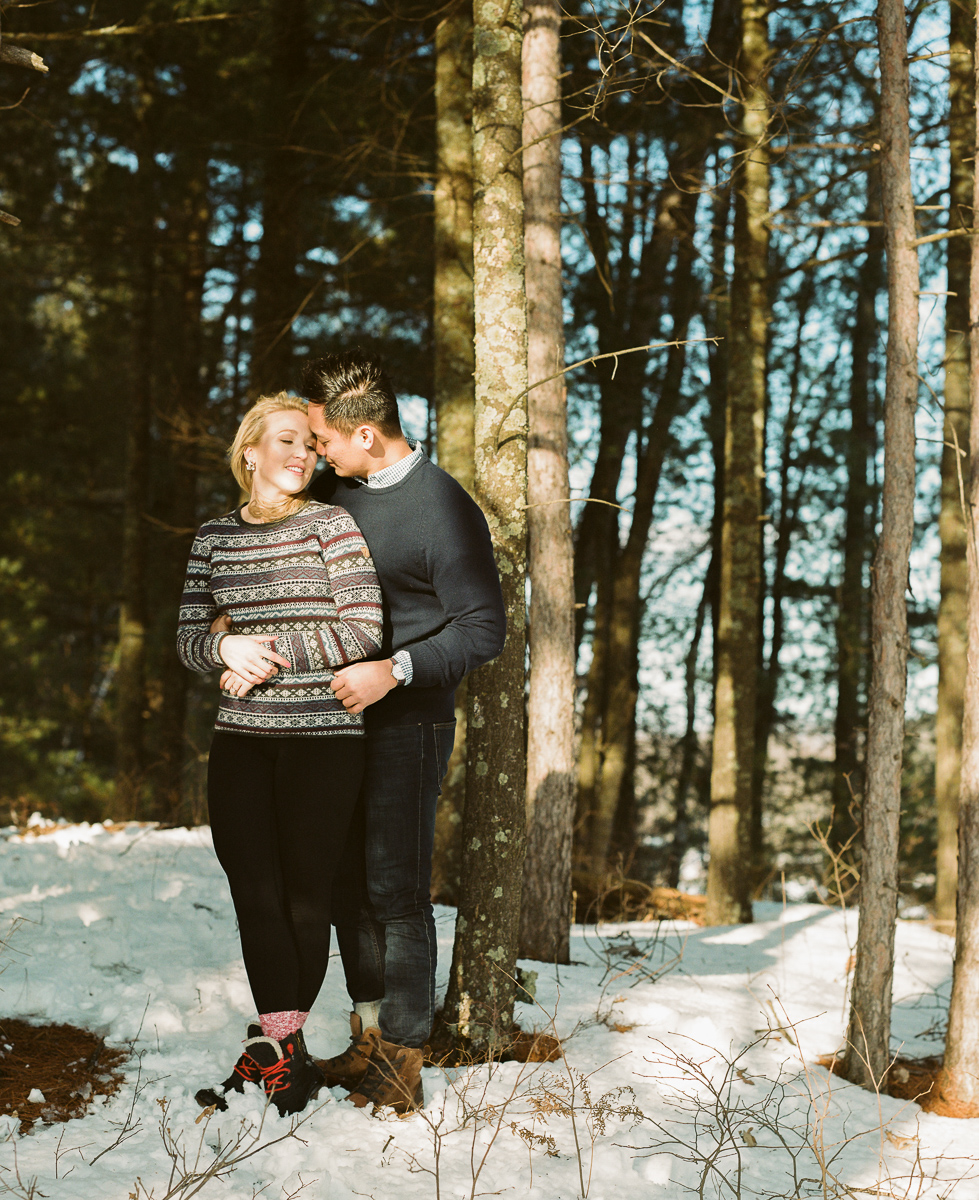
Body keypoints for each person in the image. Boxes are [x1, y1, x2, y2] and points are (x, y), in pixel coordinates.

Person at [298, 349, 505, 1112]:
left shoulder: (443, 508)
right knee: (344, 883)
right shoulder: (335, 492)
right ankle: (367, 1038)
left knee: (394, 887)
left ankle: (403, 1060)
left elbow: (484, 628)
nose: (317, 453)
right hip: (328, 725)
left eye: (323, 440)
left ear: (365, 435)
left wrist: (396, 669)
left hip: (407, 723)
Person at [177, 392, 383, 1117]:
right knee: (252, 894)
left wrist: (261, 655)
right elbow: (188, 639)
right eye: (287, 442)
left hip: (323, 740)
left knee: (304, 897)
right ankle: (280, 1050)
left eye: (308, 444)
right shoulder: (212, 537)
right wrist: (223, 646)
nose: (302, 455)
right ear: (250, 453)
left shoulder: (334, 525)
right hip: (240, 742)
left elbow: (362, 632)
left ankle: (278, 1055)